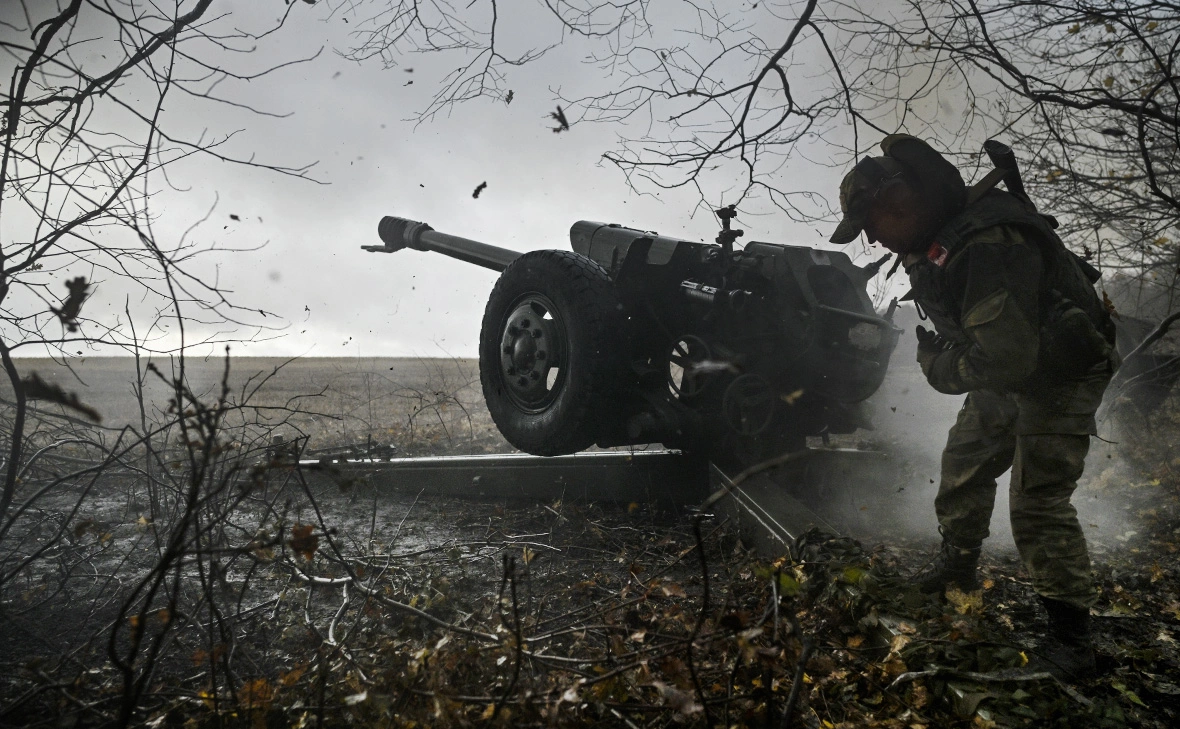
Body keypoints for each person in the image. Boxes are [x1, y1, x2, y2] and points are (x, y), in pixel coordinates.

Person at [829, 135, 1117, 680]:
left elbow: (1007, 360)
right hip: (1016, 362)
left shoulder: (985, 243)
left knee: (1037, 501)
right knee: (964, 460)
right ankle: (957, 569)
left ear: (898, 203)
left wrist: (941, 369)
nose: (872, 238)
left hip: (1062, 373)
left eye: (872, 224)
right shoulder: (936, 237)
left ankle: (1071, 641)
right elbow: (1001, 353)